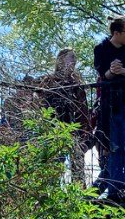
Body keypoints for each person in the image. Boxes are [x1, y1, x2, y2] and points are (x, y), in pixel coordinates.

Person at [92, 16, 125, 194]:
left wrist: (122, 71)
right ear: (116, 33)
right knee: (113, 146)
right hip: (110, 107)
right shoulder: (101, 49)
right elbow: (103, 75)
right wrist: (111, 71)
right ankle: (114, 188)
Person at [38, 47, 95, 181]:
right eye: (71, 57)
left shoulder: (76, 83)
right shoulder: (49, 81)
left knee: (77, 163)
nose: (74, 61)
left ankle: (80, 193)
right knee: (55, 163)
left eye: (75, 58)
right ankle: (54, 190)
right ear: (61, 60)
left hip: (74, 128)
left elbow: (83, 109)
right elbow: (42, 103)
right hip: (55, 128)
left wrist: (85, 130)